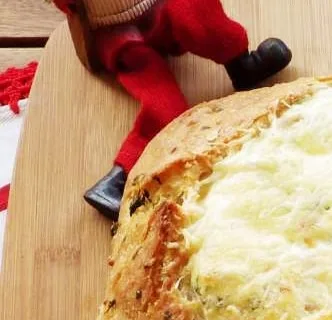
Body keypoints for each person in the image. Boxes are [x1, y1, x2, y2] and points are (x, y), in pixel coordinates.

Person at [53, 0, 292, 219]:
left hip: (159, 7)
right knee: (166, 109)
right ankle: (120, 180)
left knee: (196, 11)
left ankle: (240, 64)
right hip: (120, 36)